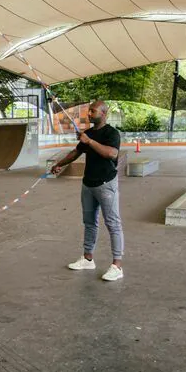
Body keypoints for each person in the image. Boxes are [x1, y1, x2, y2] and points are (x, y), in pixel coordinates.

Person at [50, 100, 124, 281]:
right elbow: (76, 153)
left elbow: (111, 154)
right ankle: (88, 258)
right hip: (88, 184)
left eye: (93, 111)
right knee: (89, 222)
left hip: (106, 184)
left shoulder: (111, 133)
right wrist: (59, 164)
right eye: (89, 111)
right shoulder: (88, 133)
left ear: (104, 113)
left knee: (113, 223)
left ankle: (117, 266)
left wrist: (89, 141)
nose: (89, 114)